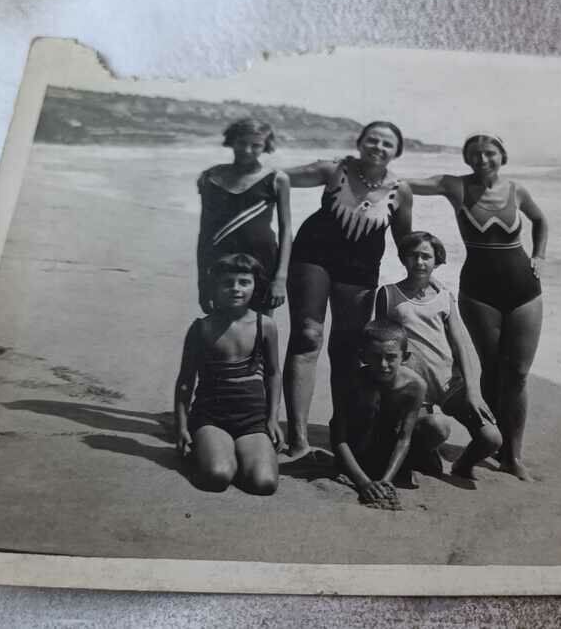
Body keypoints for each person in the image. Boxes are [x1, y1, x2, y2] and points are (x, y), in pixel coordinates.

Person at [405, 134, 548, 481]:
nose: (482, 159)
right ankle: (490, 440)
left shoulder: (518, 191)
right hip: (479, 291)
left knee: (517, 374)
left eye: (490, 153)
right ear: (467, 159)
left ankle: (512, 456)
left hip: (525, 291)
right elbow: (404, 185)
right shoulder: (455, 186)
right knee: (490, 370)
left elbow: (541, 221)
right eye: (475, 154)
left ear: (503, 155)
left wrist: (540, 256)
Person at [279, 121, 414, 460]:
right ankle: (298, 440)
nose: (378, 147)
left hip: (361, 269)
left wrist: (420, 283)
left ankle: (343, 437)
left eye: (387, 144)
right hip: (313, 256)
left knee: (348, 350)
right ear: (359, 142)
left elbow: (404, 242)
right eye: (372, 140)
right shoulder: (334, 169)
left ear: (396, 151)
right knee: (307, 337)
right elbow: (277, 178)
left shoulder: (402, 191)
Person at [375, 231, 503, 480]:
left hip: (448, 384)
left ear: (437, 261)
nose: (419, 262)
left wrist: (473, 392)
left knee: (492, 438)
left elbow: (462, 346)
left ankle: (462, 465)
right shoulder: (388, 294)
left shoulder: (444, 296)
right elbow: (381, 342)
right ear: (403, 258)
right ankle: (423, 452)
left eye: (426, 256)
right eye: (413, 256)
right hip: (412, 387)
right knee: (437, 428)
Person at [174, 254, 281, 495]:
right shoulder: (201, 328)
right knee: (218, 476)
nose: (236, 288)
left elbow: (273, 375)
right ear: (215, 287)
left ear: (255, 286)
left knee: (264, 483)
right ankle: (214, 453)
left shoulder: (266, 326)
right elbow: (185, 382)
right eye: (227, 283)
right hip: (211, 418)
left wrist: (272, 418)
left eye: (244, 282)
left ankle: (239, 454)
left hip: (252, 421)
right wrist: (181, 426)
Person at [331, 319, 451, 505]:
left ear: (405, 356)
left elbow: (404, 438)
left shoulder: (415, 385)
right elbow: (339, 438)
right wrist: (363, 483)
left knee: (437, 424)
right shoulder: (351, 382)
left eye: (391, 357)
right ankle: (369, 472)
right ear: (363, 356)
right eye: (376, 356)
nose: (383, 364)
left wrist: (386, 481)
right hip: (362, 450)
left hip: (391, 447)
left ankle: (413, 466)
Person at [196, 118, 292, 314]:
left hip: (263, 261)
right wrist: (202, 281)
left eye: (256, 145)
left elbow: (286, 230)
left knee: (261, 327)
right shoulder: (210, 177)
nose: (247, 150)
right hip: (220, 259)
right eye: (241, 143)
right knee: (220, 326)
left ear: (266, 146)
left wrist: (281, 277)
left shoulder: (277, 179)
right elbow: (204, 231)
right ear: (231, 141)